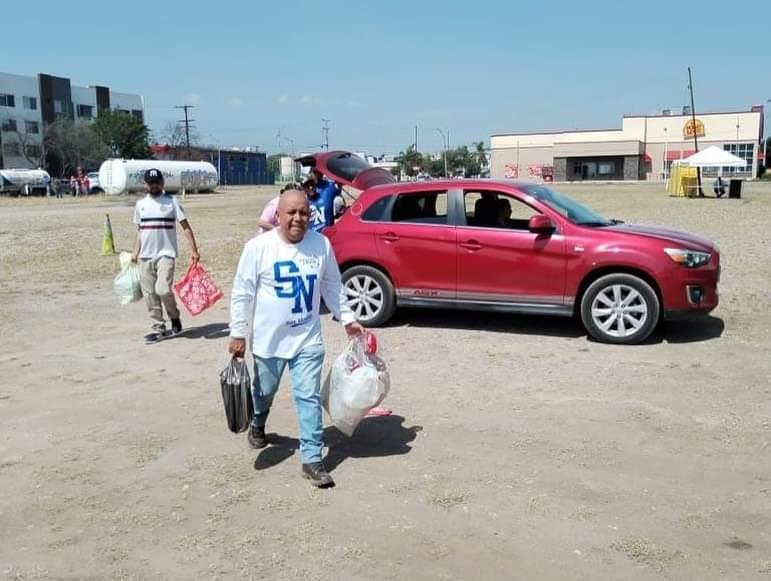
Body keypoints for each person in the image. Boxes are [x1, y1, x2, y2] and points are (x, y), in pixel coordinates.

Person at [229, 188, 364, 488]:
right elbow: (242, 293)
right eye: (291, 212)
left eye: (303, 212)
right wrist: (238, 332)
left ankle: (312, 459)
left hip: (307, 338)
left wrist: (349, 319)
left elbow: (332, 285)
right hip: (269, 341)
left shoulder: (321, 245)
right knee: (263, 392)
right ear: (278, 215)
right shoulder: (258, 248)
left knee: (308, 397)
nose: (298, 218)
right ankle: (258, 422)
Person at [131, 168, 200, 344]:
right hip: (145, 256)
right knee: (149, 294)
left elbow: (185, 227)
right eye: (150, 182)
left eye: (157, 182)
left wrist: (194, 250)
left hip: (166, 254)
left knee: (163, 289)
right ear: (145, 185)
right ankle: (158, 327)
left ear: (162, 183)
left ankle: (174, 316)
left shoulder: (171, 202)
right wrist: (135, 252)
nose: (154, 185)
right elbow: (140, 231)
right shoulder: (140, 205)